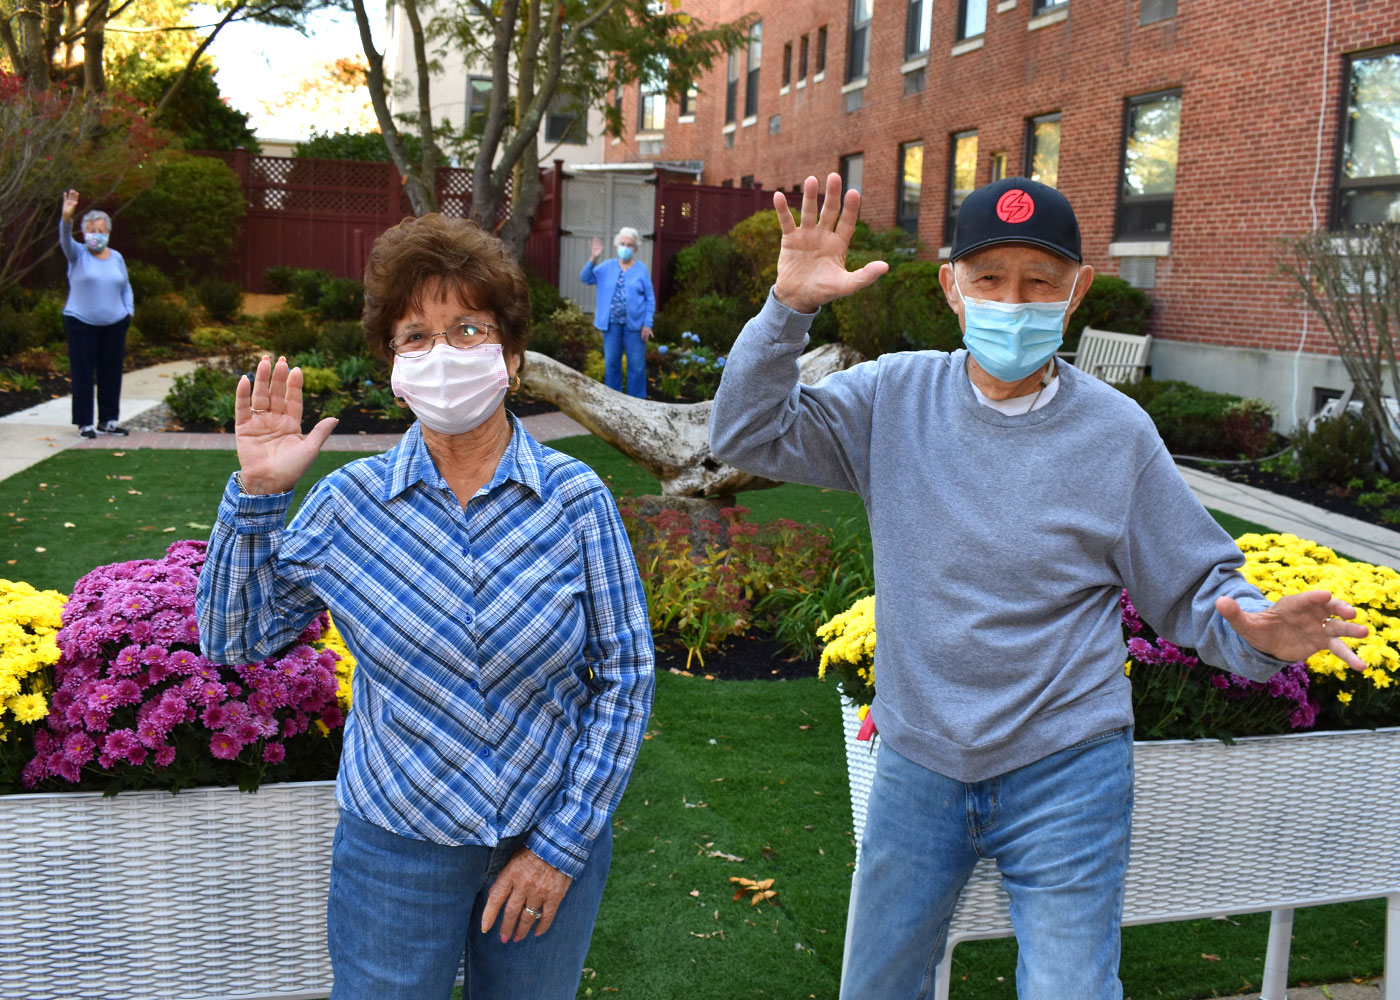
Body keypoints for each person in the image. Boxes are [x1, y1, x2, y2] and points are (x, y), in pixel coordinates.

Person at [708, 173, 1369, 999]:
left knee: (1071, 988)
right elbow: (744, 431)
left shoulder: (1116, 434)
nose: (1011, 303)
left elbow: (1197, 586)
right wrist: (787, 309)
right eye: (989, 279)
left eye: (1038, 283)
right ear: (951, 286)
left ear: (1076, 292)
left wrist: (1259, 633)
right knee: (877, 985)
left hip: (1067, 766)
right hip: (920, 759)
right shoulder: (892, 397)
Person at [195, 214, 655, 1000]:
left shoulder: (576, 501)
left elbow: (626, 672)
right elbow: (233, 639)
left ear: (511, 359)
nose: (443, 354)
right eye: (417, 336)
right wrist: (260, 496)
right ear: (396, 369)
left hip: (546, 841)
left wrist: (562, 843)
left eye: (468, 328)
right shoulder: (349, 506)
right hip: (395, 852)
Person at [59, 189, 133, 439]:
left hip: (114, 324)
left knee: (111, 374)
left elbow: (126, 286)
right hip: (81, 323)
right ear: (84, 233)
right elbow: (65, 238)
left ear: (108, 233)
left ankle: (108, 421)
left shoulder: (117, 258)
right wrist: (66, 218)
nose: (96, 235)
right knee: (82, 374)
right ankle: (85, 424)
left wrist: (128, 313)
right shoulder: (77, 254)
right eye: (91, 230)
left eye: (101, 231)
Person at [580, 227, 654, 398]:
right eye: (622, 244)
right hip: (611, 323)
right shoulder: (606, 267)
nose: (625, 247)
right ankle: (613, 399)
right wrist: (594, 258)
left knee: (636, 365)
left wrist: (647, 324)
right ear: (616, 246)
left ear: (635, 249)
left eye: (629, 245)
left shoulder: (641, 270)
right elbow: (585, 277)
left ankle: (636, 401)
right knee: (612, 363)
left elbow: (650, 299)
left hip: (634, 325)